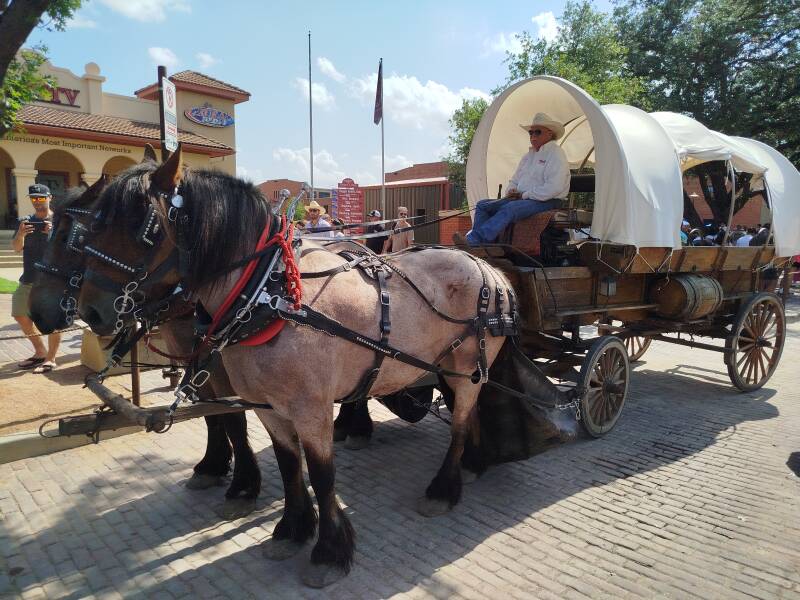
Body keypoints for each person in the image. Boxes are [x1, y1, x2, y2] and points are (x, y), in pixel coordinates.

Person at [459, 112, 571, 246]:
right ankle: (484, 244)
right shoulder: (528, 156)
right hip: (524, 199)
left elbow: (554, 187)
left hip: (548, 200)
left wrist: (524, 195)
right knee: (482, 205)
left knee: (510, 208)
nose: (533, 136)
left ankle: (475, 240)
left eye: (538, 132)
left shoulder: (556, 154)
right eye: (531, 133)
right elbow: (515, 180)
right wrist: (511, 191)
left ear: (550, 133)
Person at [12, 184, 61, 373]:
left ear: (49, 197)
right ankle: (40, 351)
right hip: (29, 277)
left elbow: (66, 249)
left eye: (40, 198)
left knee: (52, 320)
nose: (36, 202)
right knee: (19, 313)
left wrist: (52, 234)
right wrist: (21, 233)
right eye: (33, 198)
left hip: (51, 280)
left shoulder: (59, 221)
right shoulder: (25, 221)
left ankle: (51, 358)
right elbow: (16, 248)